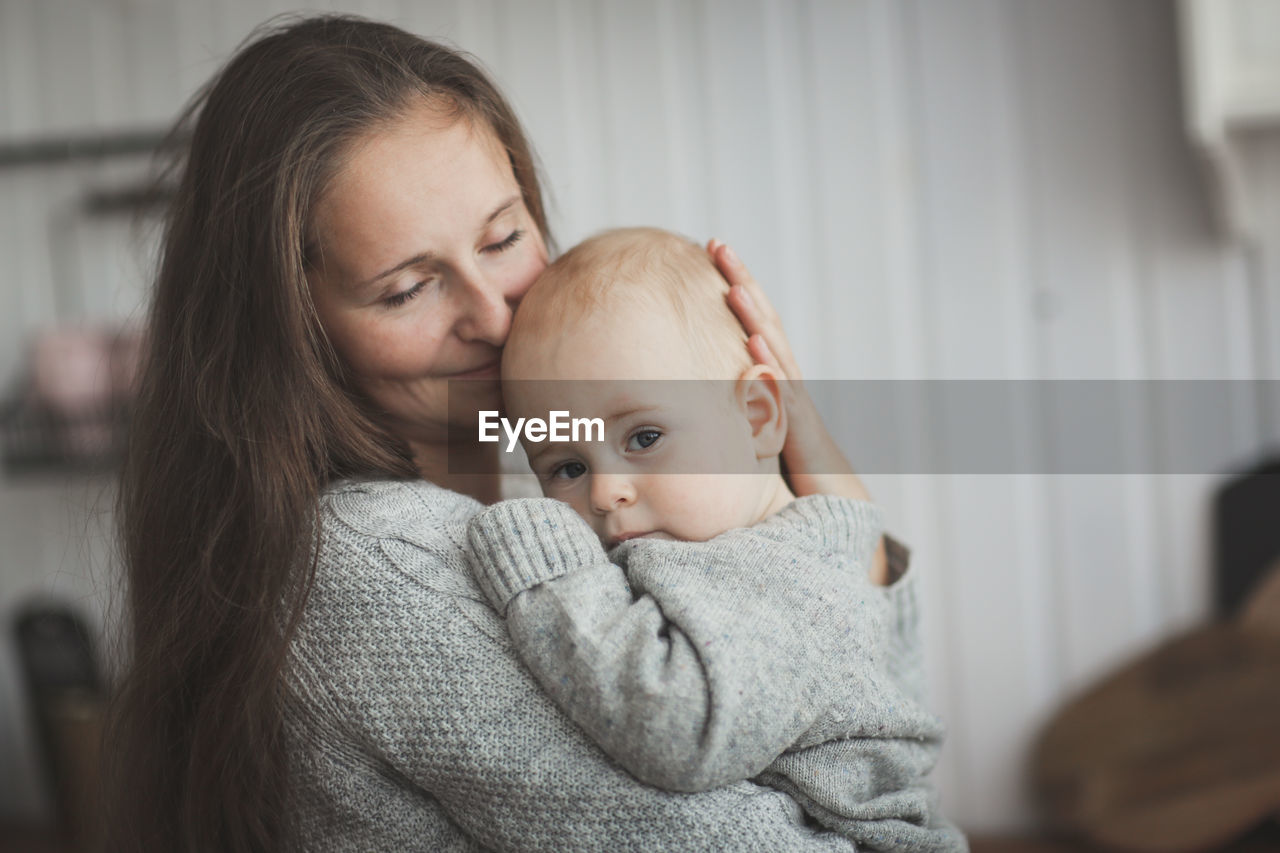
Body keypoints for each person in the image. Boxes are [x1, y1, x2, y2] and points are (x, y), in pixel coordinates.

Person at [104, 14, 919, 853]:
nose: (493, 316)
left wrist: (804, 449)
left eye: (503, 238)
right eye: (406, 289)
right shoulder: (381, 565)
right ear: (292, 329)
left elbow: (872, 739)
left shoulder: (568, 473)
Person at [463, 227, 965, 852]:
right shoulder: (744, 548)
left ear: (758, 415)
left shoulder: (787, 578)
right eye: (566, 467)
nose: (604, 493)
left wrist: (544, 569)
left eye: (643, 438)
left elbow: (680, 731)